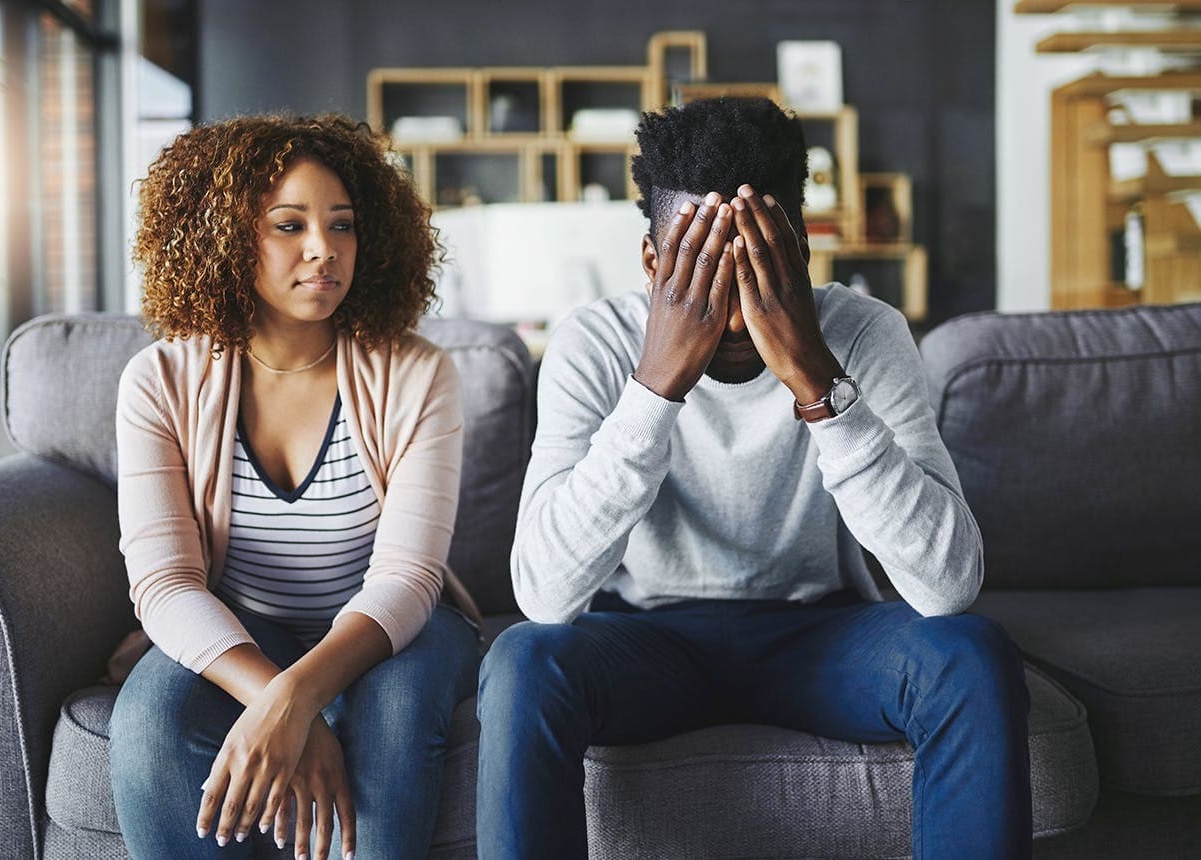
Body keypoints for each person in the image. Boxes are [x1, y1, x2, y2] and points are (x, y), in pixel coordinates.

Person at [475, 97, 1032, 859]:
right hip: (644, 638)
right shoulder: (594, 342)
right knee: (519, 661)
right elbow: (542, 594)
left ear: (800, 252)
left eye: (760, 266)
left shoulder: (865, 333)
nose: (734, 317)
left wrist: (815, 383)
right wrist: (656, 387)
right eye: (701, 268)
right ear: (650, 262)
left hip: (818, 633)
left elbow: (948, 585)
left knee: (971, 653)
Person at [109, 114, 481, 860]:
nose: (324, 249)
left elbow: (409, 580)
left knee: (398, 711)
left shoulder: (418, 375)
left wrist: (297, 695)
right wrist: (280, 702)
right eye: (289, 224)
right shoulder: (159, 382)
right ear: (221, 238)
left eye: (341, 225)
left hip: (395, 629)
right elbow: (166, 585)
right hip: (248, 620)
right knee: (151, 718)